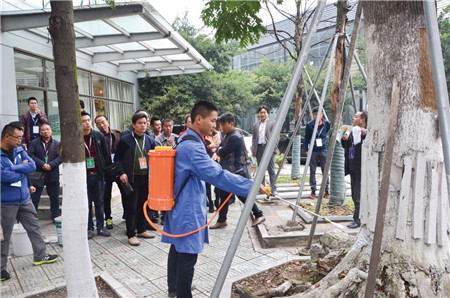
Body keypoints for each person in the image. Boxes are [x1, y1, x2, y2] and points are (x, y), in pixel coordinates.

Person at [162, 101, 267, 298]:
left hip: (180, 206)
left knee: (178, 249)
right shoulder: (193, 147)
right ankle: (182, 294)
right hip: (187, 209)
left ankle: (174, 289)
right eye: (212, 120)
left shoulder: (185, 140)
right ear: (198, 119)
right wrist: (251, 187)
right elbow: (217, 175)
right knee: (187, 255)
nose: (214, 125)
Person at [1, 122, 58, 281]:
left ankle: (41, 255)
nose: (20, 141)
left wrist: (14, 169)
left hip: (24, 198)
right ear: (7, 136)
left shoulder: (19, 150)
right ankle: (1, 269)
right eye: (17, 137)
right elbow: (4, 176)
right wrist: (21, 169)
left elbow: (32, 166)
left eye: (21, 137)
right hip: (5, 202)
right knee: (4, 236)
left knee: (34, 227)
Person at [210, 113, 266, 229]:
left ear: (231, 124)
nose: (221, 128)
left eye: (223, 125)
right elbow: (221, 149)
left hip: (235, 172)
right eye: (220, 125)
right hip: (228, 171)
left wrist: (220, 150)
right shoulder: (227, 135)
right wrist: (220, 150)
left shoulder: (235, 136)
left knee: (243, 196)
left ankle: (259, 214)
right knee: (223, 197)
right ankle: (222, 220)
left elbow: (222, 152)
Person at [115, 113, 156, 246]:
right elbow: (118, 159)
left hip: (145, 178)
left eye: (145, 123)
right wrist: (121, 173)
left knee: (143, 205)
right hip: (131, 178)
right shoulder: (125, 140)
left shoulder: (150, 140)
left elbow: (154, 159)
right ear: (133, 125)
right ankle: (131, 233)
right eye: (140, 123)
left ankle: (141, 229)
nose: (143, 125)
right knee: (131, 206)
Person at [81, 111, 111, 239]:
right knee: (86, 203)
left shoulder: (98, 136)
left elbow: (105, 153)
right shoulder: (77, 138)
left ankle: (100, 227)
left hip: (98, 174)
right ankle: (89, 228)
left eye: (88, 120)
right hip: (84, 176)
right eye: (84, 121)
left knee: (99, 202)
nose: (87, 123)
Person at [28, 124, 62, 223]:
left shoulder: (57, 143)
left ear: (51, 131)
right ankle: (32, 219)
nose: (46, 131)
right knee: (35, 198)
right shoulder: (34, 143)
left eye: (47, 129)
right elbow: (30, 155)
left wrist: (51, 164)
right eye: (43, 130)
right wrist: (42, 164)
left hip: (53, 174)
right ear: (40, 132)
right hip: (38, 174)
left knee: (54, 198)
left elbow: (61, 157)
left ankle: (55, 217)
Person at [94, 114, 124, 230]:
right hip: (105, 170)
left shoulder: (117, 134)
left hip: (117, 167)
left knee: (125, 192)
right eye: (98, 124)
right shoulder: (96, 137)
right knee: (106, 196)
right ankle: (108, 218)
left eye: (103, 122)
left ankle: (126, 215)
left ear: (108, 121)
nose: (101, 125)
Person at [342, 110, 368, 229]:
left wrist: (365, 134)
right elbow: (349, 147)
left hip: (360, 168)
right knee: (354, 194)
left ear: (362, 120)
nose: (353, 118)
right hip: (352, 167)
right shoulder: (353, 132)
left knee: (358, 195)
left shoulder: (366, 134)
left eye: (356, 117)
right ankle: (358, 217)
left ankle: (357, 219)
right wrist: (345, 140)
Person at [304, 107, 332, 199]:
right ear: (313, 115)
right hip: (313, 150)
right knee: (312, 170)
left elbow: (330, 135)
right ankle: (313, 190)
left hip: (323, 149)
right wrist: (306, 150)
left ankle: (326, 190)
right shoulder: (309, 125)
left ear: (322, 114)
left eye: (319, 114)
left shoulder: (327, 124)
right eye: (315, 114)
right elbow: (306, 138)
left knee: (325, 171)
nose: (317, 116)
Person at [251, 105, 279, 195]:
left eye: (264, 112)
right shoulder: (256, 125)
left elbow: (276, 137)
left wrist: (273, 148)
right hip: (259, 148)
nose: (262, 114)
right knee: (260, 169)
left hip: (268, 148)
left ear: (267, 113)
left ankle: (273, 189)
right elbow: (254, 138)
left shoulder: (273, 123)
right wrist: (253, 150)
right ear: (258, 114)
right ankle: (262, 188)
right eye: (261, 113)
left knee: (271, 169)